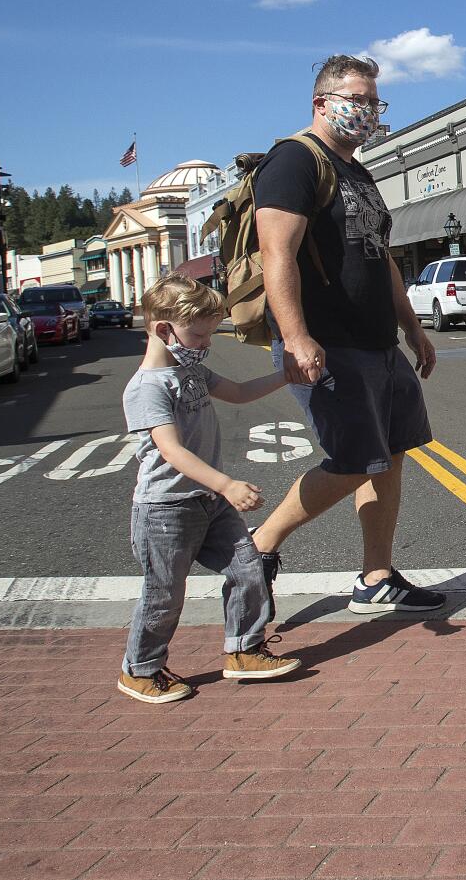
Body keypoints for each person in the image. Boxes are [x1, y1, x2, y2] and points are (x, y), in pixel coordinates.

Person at [246, 54, 446, 616]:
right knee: (355, 459)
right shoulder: (293, 161)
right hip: (331, 343)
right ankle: (257, 547)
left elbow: (380, 260)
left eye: (374, 101)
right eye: (356, 99)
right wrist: (297, 337)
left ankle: (376, 577)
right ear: (322, 103)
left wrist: (413, 329)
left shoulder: (356, 170)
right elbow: (276, 253)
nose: (366, 111)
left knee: (392, 453)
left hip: (379, 342)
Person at [117, 275, 302, 703]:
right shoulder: (148, 388)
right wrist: (227, 484)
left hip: (207, 502)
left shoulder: (191, 369)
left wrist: (286, 376)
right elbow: (171, 451)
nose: (205, 343)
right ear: (164, 330)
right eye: (198, 334)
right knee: (163, 594)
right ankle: (140, 669)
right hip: (166, 509)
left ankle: (243, 650)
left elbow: (237, 392)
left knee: (248, 567)